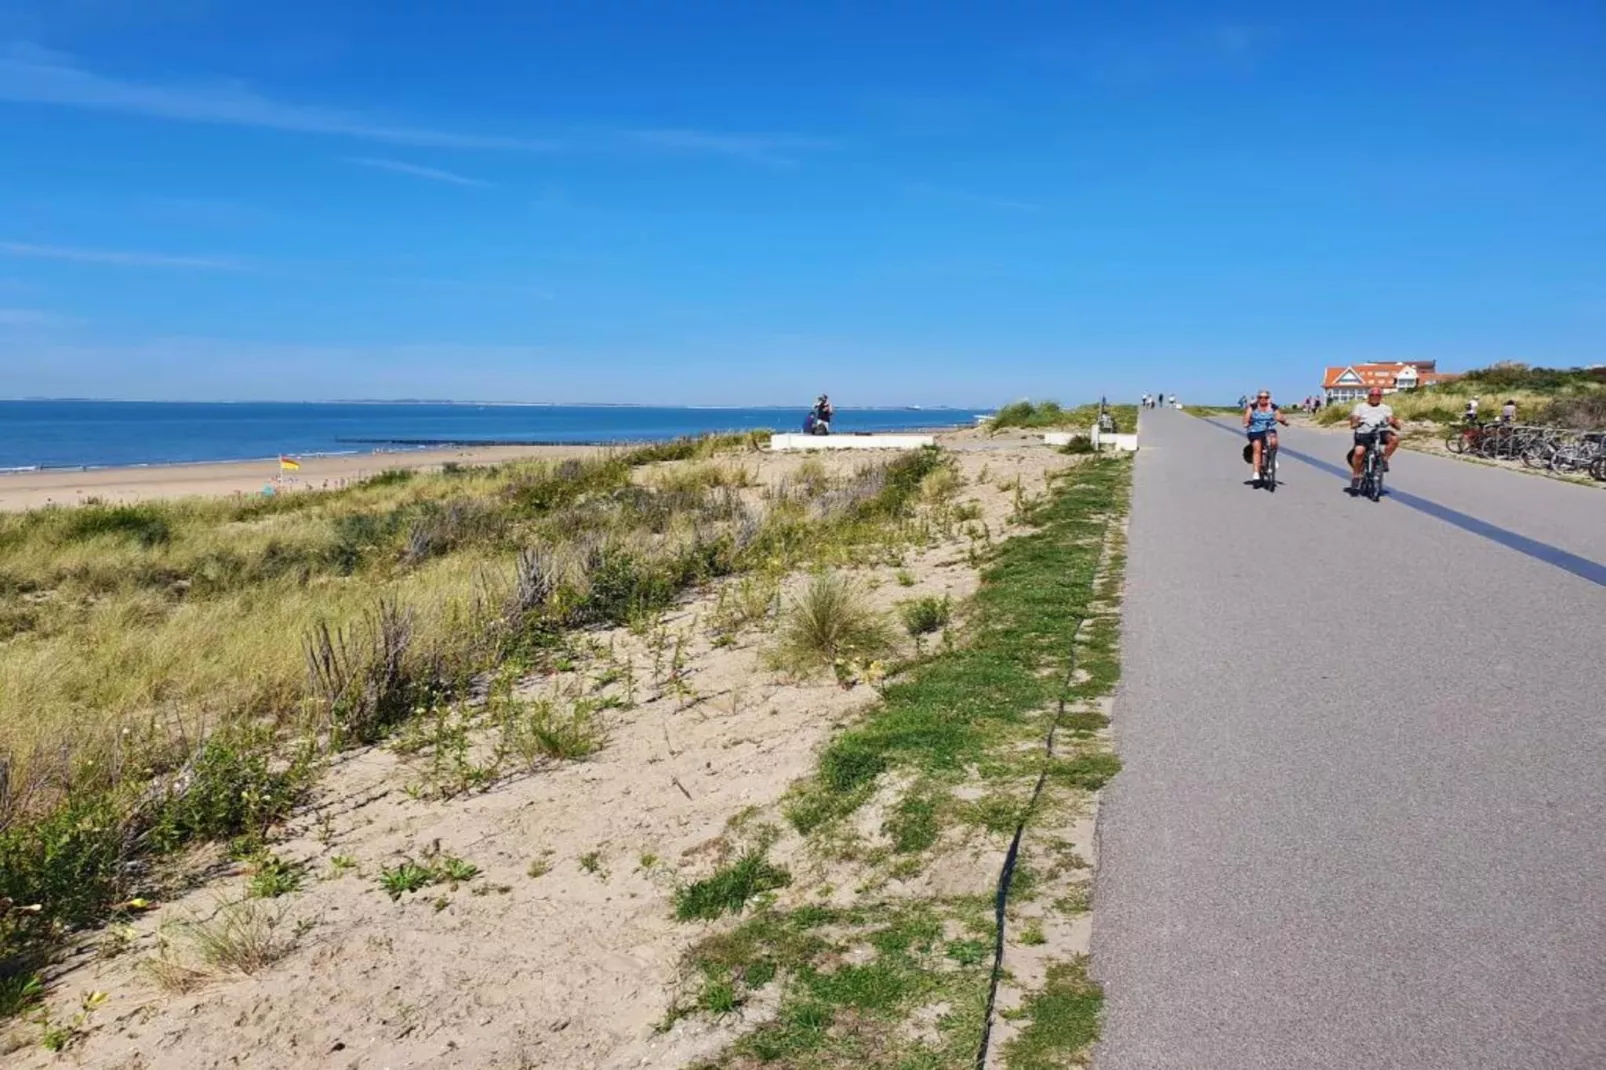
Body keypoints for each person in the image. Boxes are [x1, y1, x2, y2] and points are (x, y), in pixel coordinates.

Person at [1348, 387, 1401, 492]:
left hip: (1380, 431)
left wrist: (1393, 422)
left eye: (1377, 395)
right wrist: (1355, 423)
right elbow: (1355, 418)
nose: (1375, 397)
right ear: (1369, 396)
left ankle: (1384, 460)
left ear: (1381, 397)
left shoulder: (1386, 408)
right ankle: (1356, 475)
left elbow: (1392, 420)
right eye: (1372, 395)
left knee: (1394, 439)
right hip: (1364, 432)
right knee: (1359, 452)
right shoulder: (1360, 407)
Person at [1242, 390, 1289, 485]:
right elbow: (1246, 417)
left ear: (1269, 398)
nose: (1263, 399)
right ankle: (1256, 473)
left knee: (1274, 441)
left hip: (1268, 429)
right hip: (1255, 430)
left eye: (1265, 397)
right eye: (1260, 397)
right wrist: (1246, 422)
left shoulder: (1273, 407)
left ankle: (1272, 458)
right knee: (1257, 448)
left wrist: (1283, 421)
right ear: (1257, 398)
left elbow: (1279, 416)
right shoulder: (1253, 407)